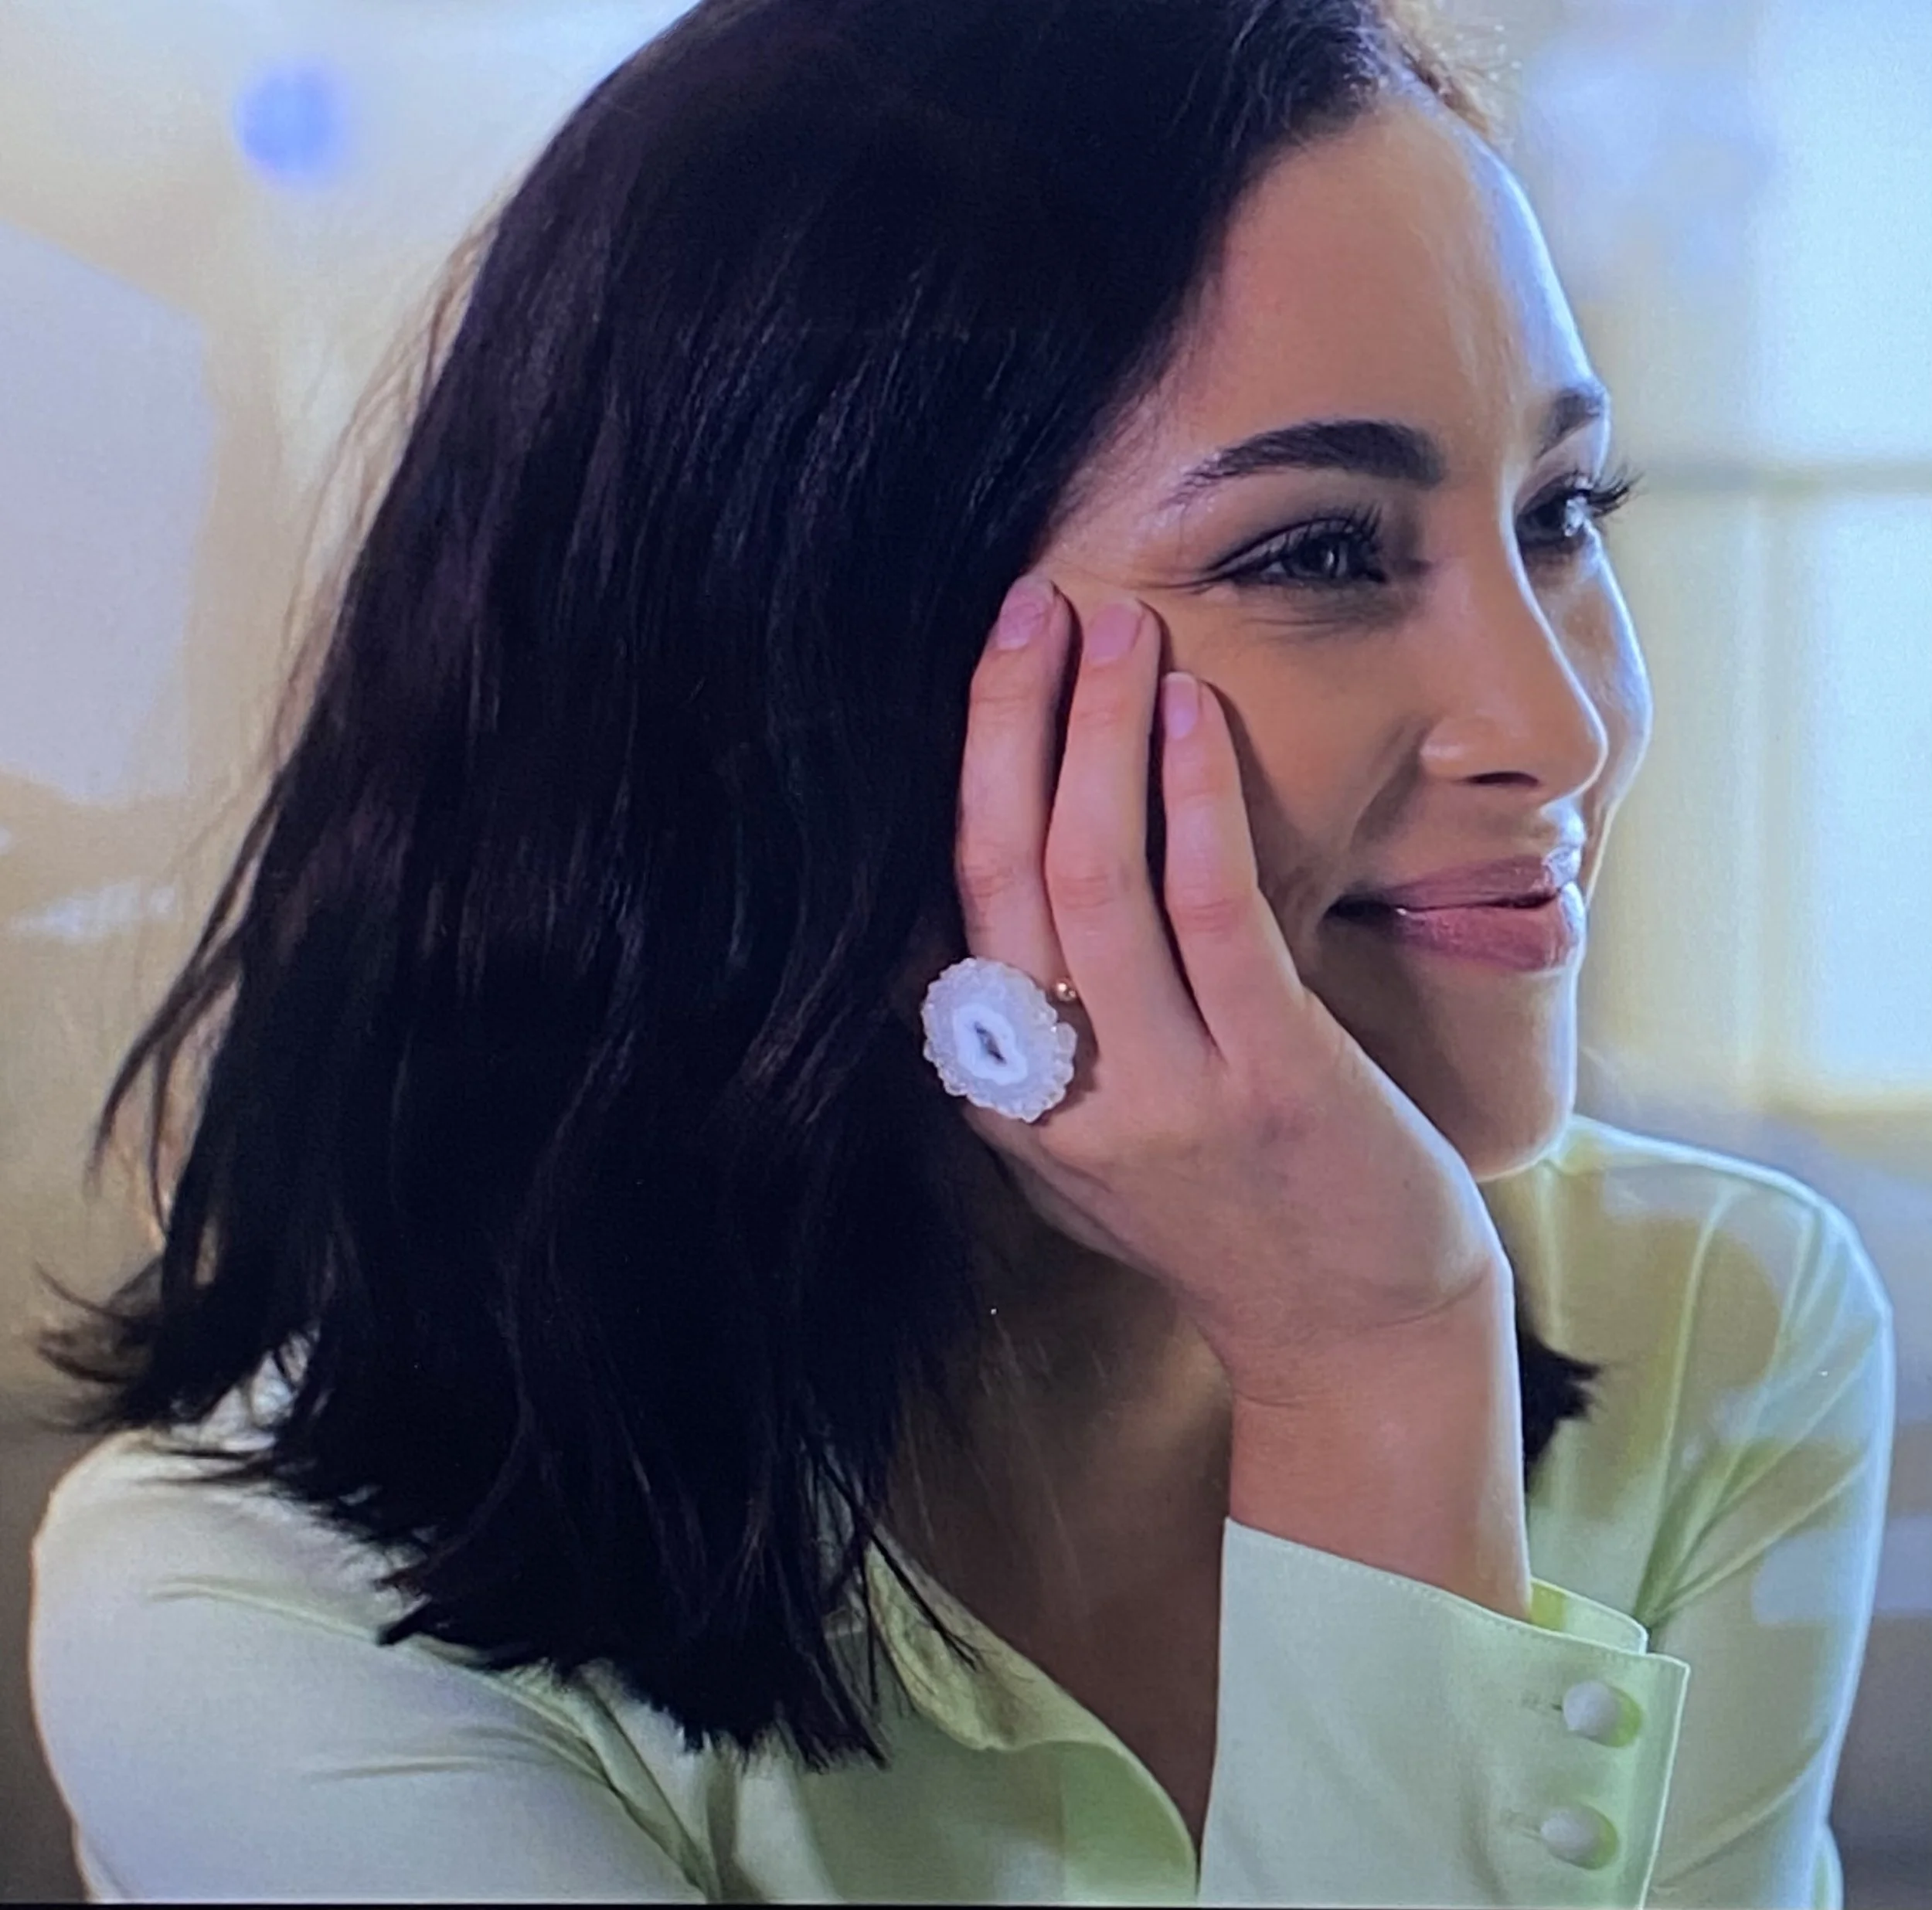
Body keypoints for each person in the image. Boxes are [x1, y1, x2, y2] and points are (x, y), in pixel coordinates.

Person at [28, 0, 1893, 1902]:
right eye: (1317, 553)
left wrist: (1381, 1359)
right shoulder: (249, 1620)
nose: (1560, 727)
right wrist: (1371, 1380)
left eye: (1558, 514)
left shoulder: (1723, 1325)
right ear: (802, 673)